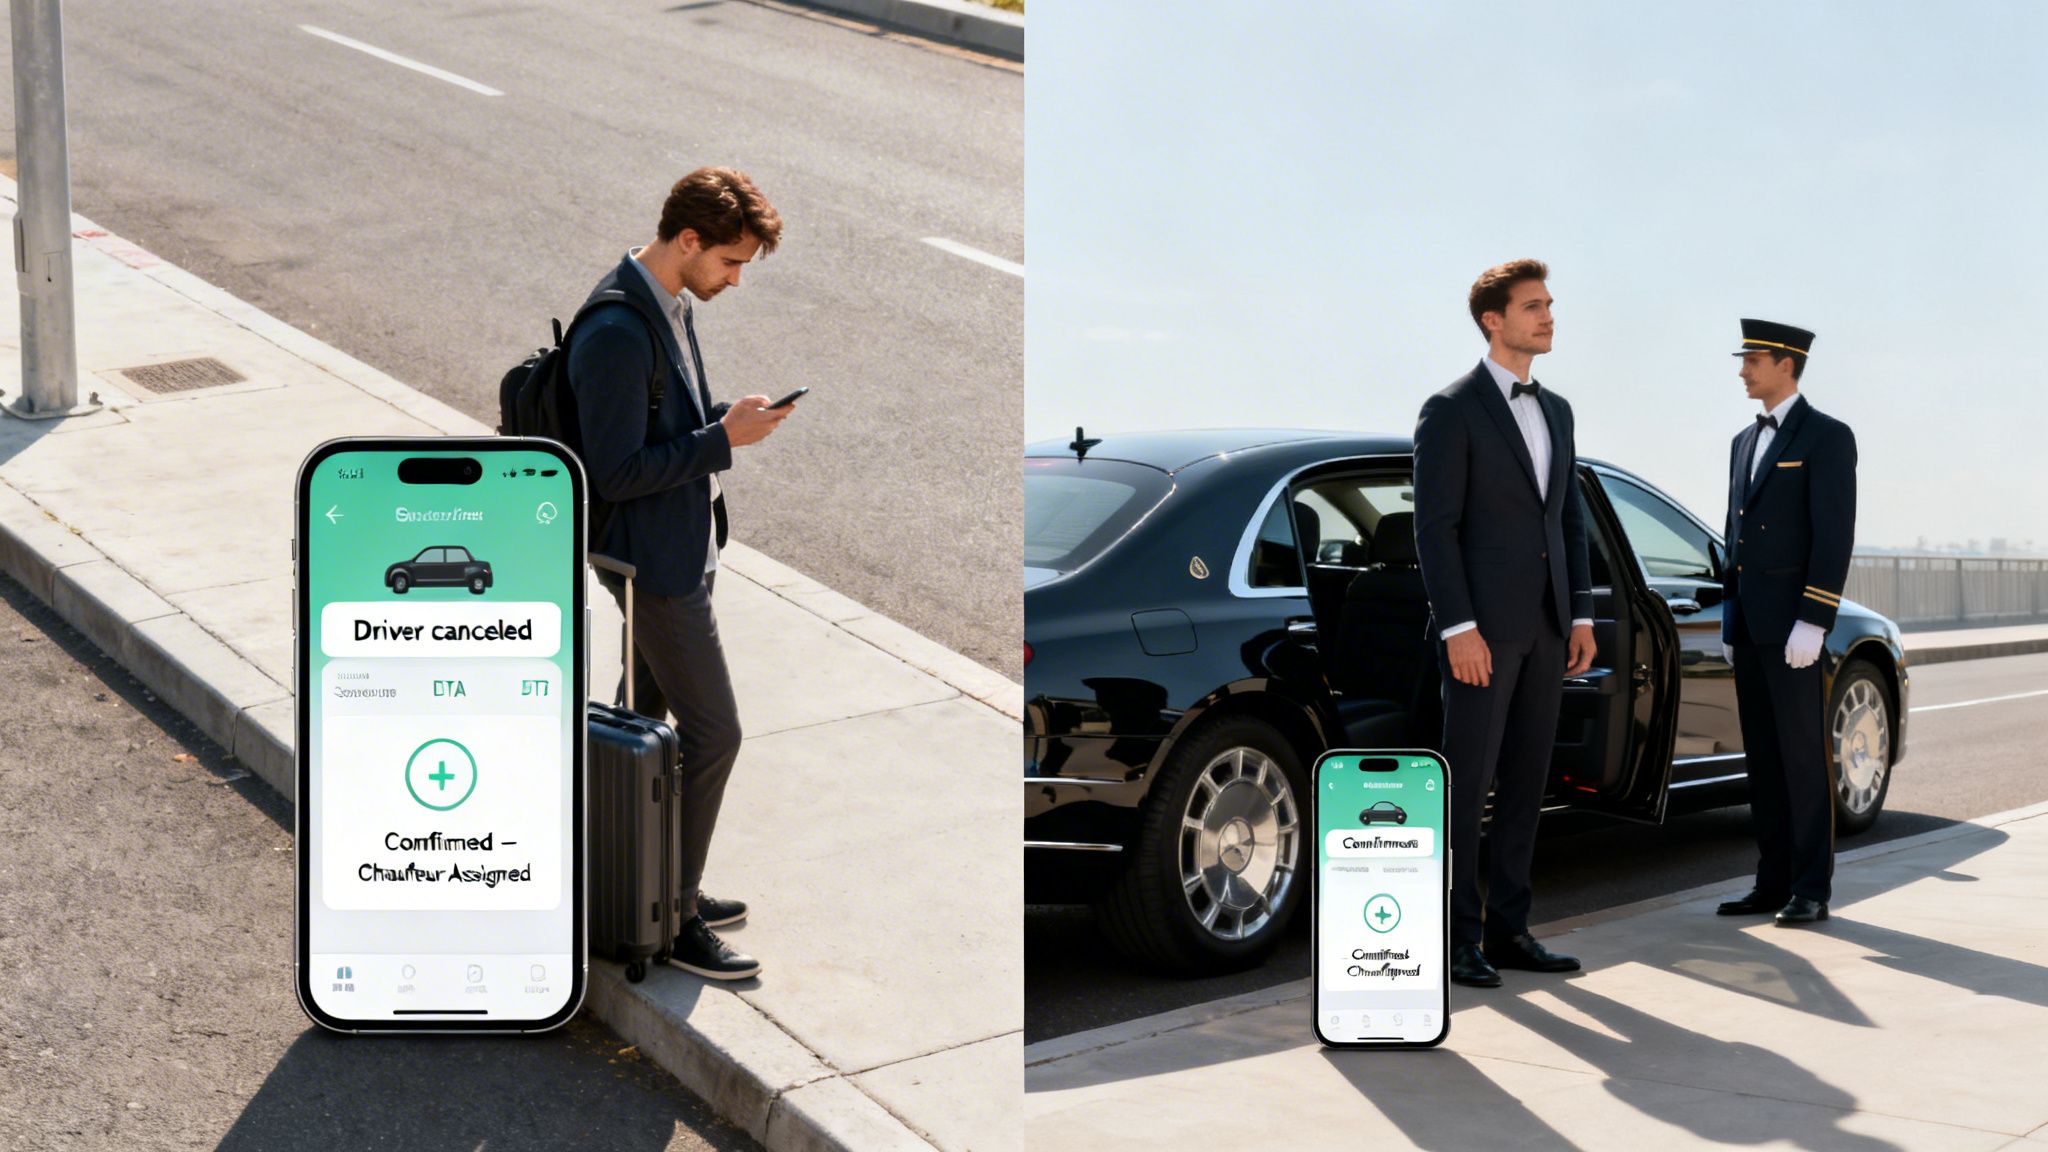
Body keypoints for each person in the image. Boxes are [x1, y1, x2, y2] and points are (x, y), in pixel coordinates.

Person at [569, 166, 794, 979]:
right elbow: (614, 471)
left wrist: (724, 419)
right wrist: (722, 441)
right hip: (652, 567)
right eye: (730, 262)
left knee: (643, 721)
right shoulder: (617, 329)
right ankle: (677, 914)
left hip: (680, 549)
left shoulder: (668, 301)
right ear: (688, 239)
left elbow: (667, 420)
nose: (735, 279)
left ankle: (644, 886)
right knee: (713, 733)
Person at [1412, 258, 1596, 988]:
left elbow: (1569, 518)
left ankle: (1511, 929)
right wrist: (1458, 628)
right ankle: (1456, 939)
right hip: (1482, 634)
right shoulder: (1450, 409)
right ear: (1493, 320)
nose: (1548, 317)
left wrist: (1581, 612)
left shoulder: (1559, 411)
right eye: (1533, 307)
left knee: (1526, 784)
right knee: (1467, 787)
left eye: (1549, 305)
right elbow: (1435, 529)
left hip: (1548, 627)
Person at [1715, 319, 1857, 927]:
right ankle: (1770, 882)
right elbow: (1735, 537)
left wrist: (1815, 619)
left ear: (1786, 364)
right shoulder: (1742, 441)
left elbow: (1834, 534)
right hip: (1751, 627)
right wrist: (1730, 620)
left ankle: (1810, 888)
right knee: (1765, 762)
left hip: (1794, 628)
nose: (1743, 370)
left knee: (1803, 760)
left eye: (1752, 359)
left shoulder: (1827, 436)